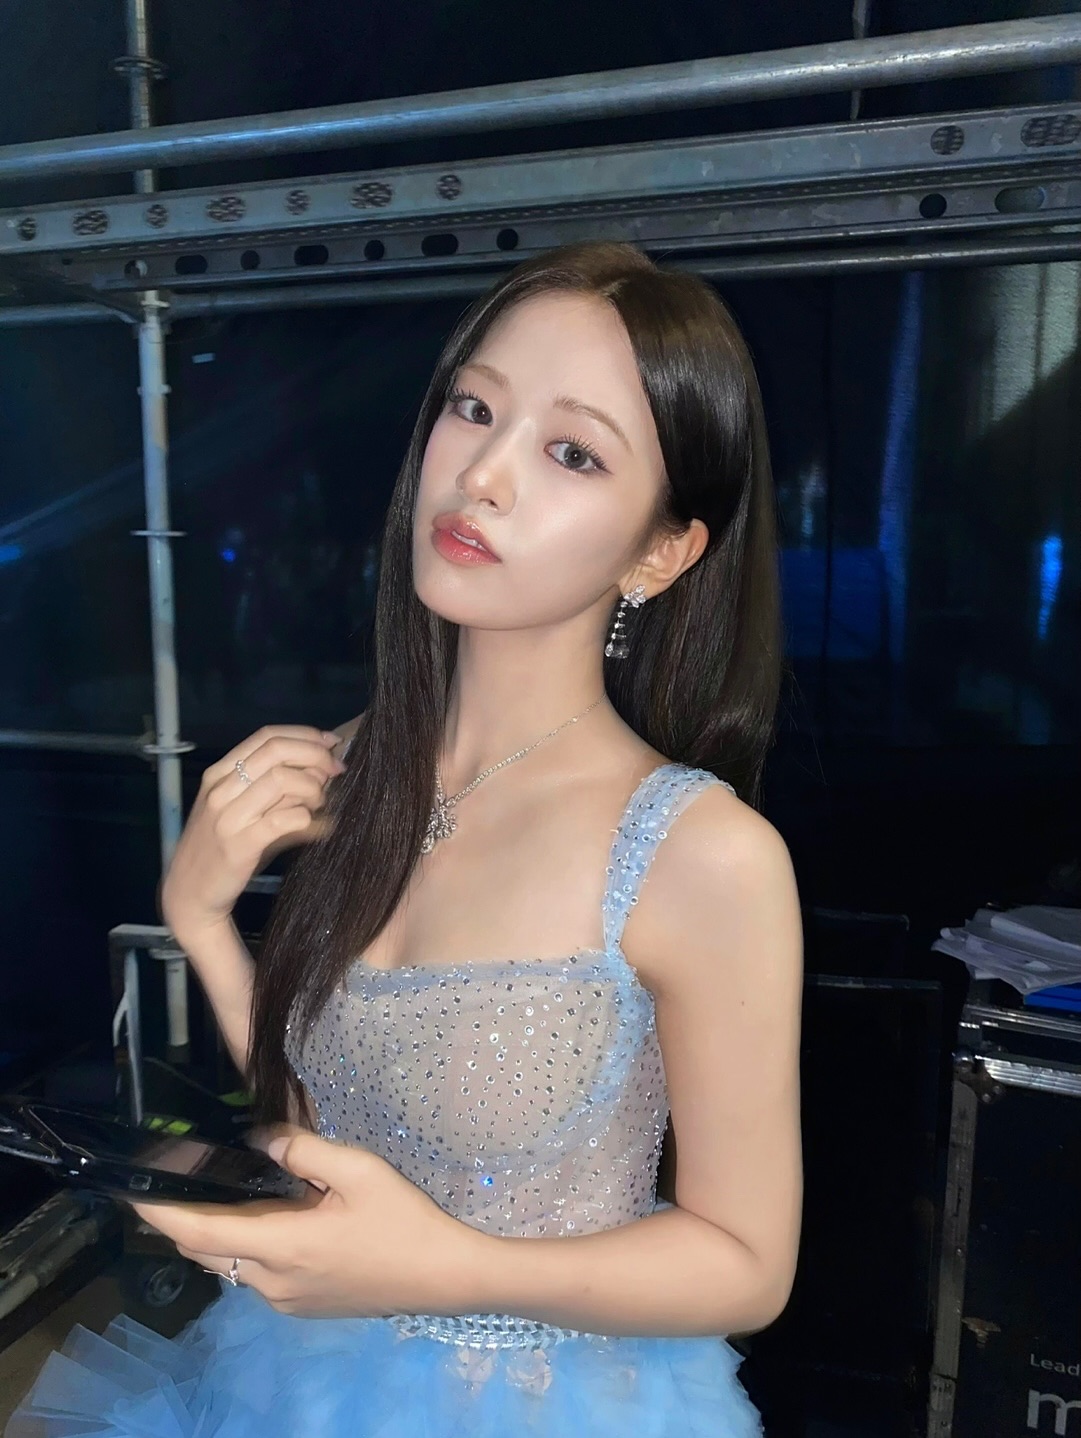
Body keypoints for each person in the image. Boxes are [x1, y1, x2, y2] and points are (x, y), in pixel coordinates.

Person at [6, 242, 803, 1437]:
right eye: (474, 407)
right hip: (300, 1377)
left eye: (572, 452)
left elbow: (746, 1263)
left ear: (661, 551)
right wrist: (202, 921)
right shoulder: (351, 766)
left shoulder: (700, 851)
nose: (482, 474)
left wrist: (443, 1268)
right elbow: (328, 1124)